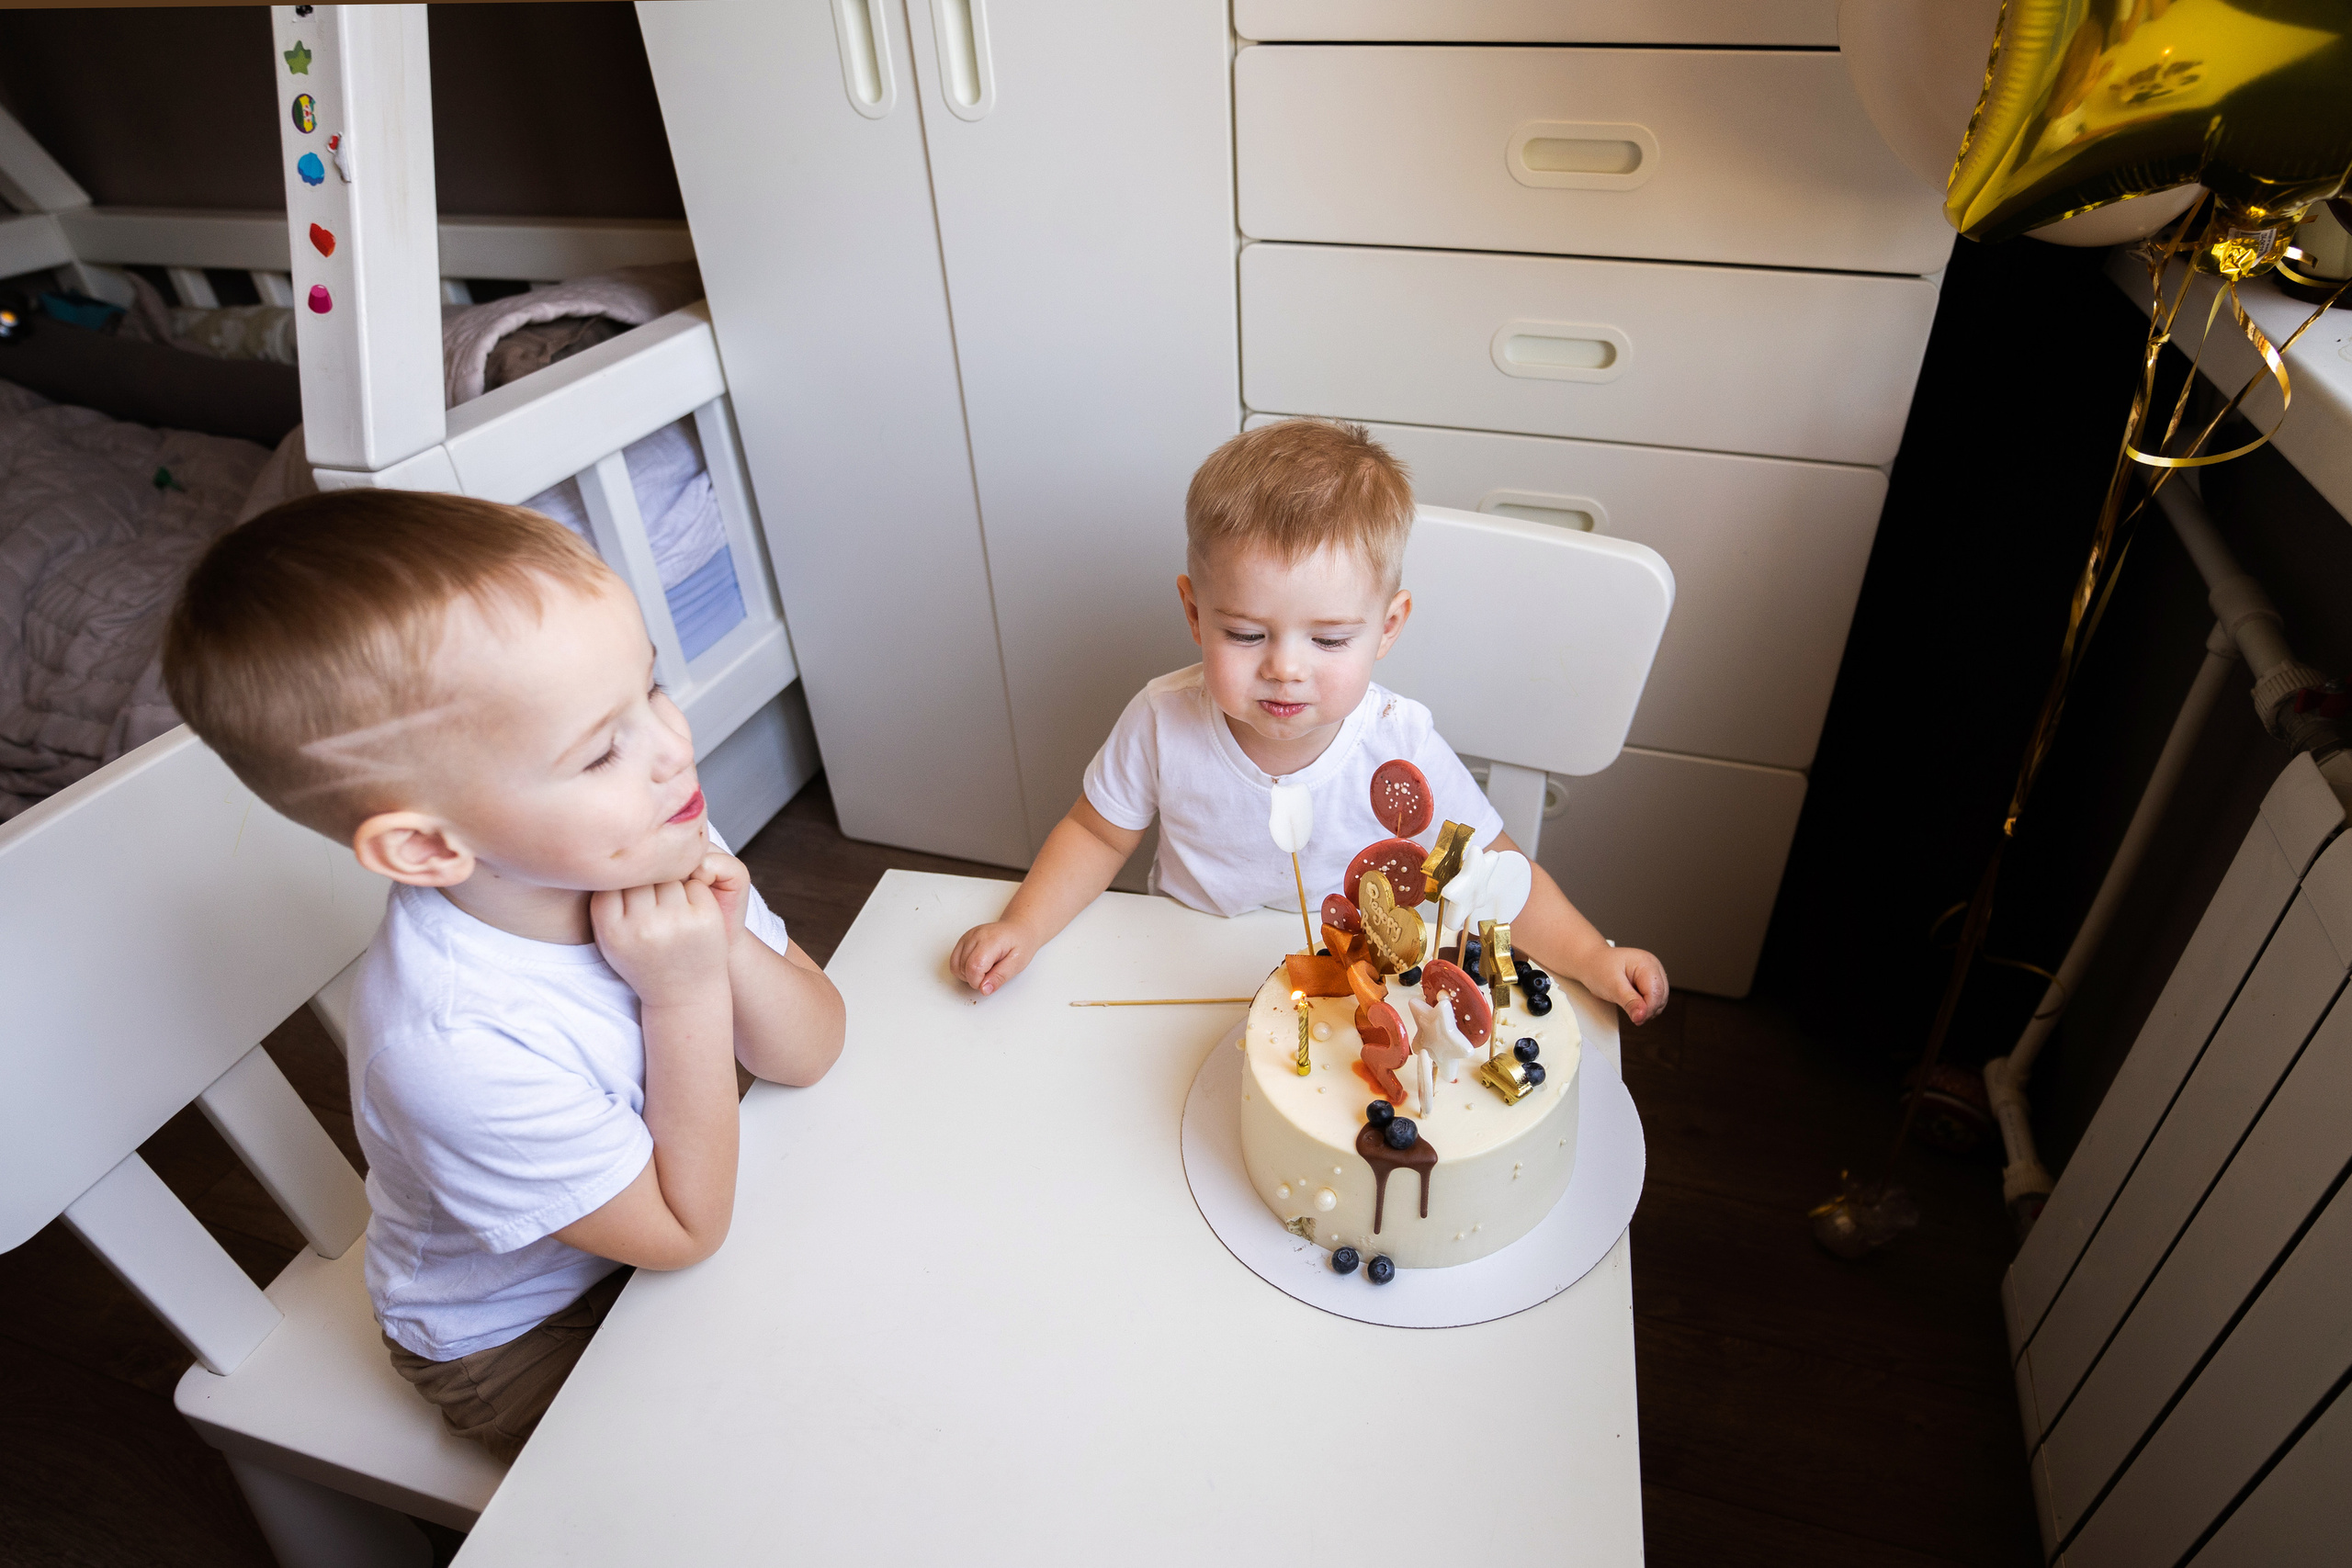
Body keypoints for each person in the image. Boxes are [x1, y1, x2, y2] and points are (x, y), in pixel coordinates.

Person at [163, 491, 844, 1461]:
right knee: (748, 1464)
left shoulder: (637, 831)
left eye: (649, 690)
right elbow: (686, 1231)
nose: (671, 749)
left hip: (685, 1193)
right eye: (602, 747)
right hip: (525, 1333)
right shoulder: (449, 1046)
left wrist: (725, 947)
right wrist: (685, 992)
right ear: (426, 846)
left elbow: (812, 1048)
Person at [950, 418, 1668, 1022]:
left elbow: (1496, 867)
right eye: (1246, 634)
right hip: (1179, 978)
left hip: (1352, 996)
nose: (1286, 668)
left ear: (1387, 628)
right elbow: (1092, 832)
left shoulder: (1401, 742)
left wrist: (1591, 957)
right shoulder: (1161, 720)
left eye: (1328, 640)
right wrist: (1024, 924)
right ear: (1195, 612)